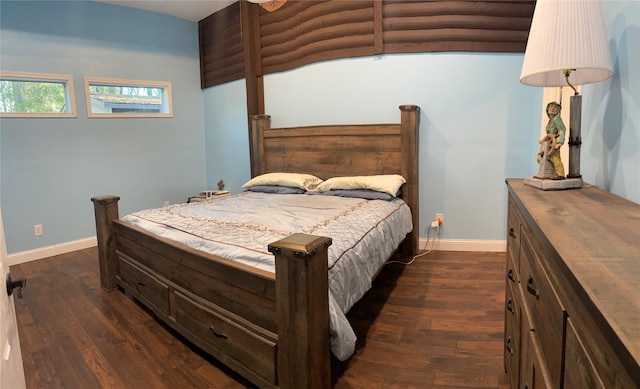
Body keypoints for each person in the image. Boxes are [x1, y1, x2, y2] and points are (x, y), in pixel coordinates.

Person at [537, 101, 566, 180]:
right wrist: (543, 140)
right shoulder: (550, 120)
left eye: (555, 107)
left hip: (554, 143)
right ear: (547, 109)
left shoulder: (557, 119)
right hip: (548, 143)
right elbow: (549, 133)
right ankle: (549, 173)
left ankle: (560, 174)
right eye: (551, 106)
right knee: (540, 158)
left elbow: (562, 130)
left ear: (558, 110)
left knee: (555, 158)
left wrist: (559, 142)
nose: (553, 109)